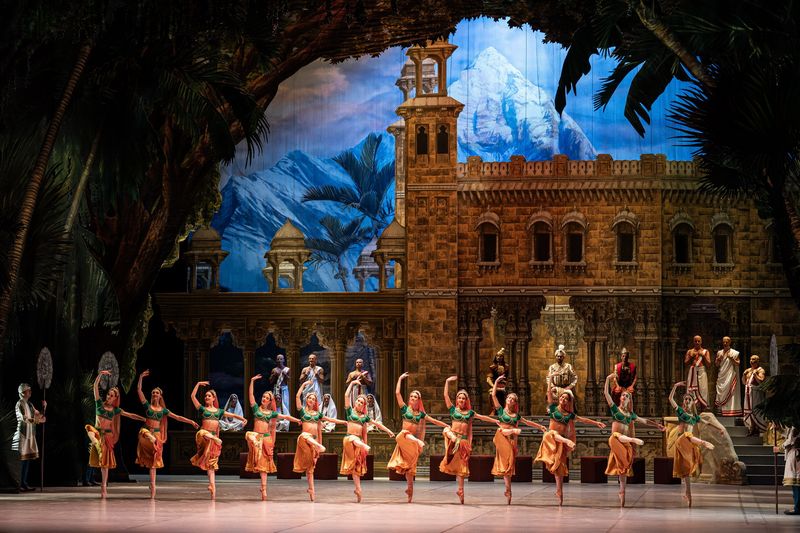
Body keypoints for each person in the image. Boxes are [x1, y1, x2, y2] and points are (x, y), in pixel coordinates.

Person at [535, 385, 605, 506]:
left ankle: (559, 490)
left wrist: (596, 423)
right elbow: (549, 393)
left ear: (568, 401)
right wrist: (550, 379)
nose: (563, 399)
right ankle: (566, 441)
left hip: (560, 442)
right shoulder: (552, 408)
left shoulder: (569, 415)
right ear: (559, 398)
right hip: (550, 439)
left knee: (559, 468)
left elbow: (583, 419)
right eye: (562, 397)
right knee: (551, 433)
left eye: (566, 398)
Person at [603, 373, 664, 506]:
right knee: (615, 436)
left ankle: (622, 490)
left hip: (626, 445)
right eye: (623, 395)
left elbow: (644, 421)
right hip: (616, 440)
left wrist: (657, 425)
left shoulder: (630, 415)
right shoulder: (615, 410)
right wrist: (608, 379)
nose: (625, 397)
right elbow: (606, 394)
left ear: (630, 400)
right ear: (620, 398)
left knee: (623, 468)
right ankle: (633, 439)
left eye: (627, 396)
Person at [135, 370, 198, 498]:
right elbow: (139, 391)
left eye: (157, 393)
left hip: (157, 436)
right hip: (147, 434)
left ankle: (152, 484)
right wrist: (141, 377)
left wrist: (191, 421)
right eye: (153, 393)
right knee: (144, 432)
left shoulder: (163, 411)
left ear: (160, 396)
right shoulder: (147, 406)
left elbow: (178, 417)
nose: (154, 394)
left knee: (153, 462)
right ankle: (149, 437)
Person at [387, 373, 449, 502]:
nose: (412, 398)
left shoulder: (420, 414)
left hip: (411, 443)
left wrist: (446, 425)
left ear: (418, 400)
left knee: (409, 469)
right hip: (404, 440)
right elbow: (397, 393)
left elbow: (434, 421)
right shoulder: (405, 409)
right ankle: (417, 441)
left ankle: (410, 490)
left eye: (415, 396)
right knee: (402, 433)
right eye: (411, 396)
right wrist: (400, 379)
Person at [488, 375, 548, 505]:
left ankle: (508, 489)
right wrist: (496, 382)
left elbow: (528, 422)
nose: (510, 400)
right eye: (509, 398)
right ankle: (512, 431)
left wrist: (540, 426)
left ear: (515, 403)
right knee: (503, 433)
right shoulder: (500, 411)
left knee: (509, 467)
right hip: (502, 438)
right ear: (506, 400)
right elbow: (493, 395)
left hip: (512, 441)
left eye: (513, 399)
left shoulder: (516, 416)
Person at [86, 370, 145, 498]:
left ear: (115, 398)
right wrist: (100, 374)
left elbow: (130, 415)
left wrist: (144, 419)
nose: (109, 397)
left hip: (107, 437)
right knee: (90, 433)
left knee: (105, 464)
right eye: (108, 394)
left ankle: (103, 487)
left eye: (112, 396)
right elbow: (95, 387)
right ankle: (91, 475)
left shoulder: (115, 410)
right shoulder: (99, 404)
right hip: (98, 434)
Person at [439, 376, 498, 504]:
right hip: (453, 439)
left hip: (463, 442)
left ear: (466, 400)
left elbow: (482, 417)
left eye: (463, 398)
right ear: (457, 399)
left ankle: (460, 490)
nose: (461, 400)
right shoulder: (453, 410)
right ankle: (452, 437)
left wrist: (495, 421)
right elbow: (445, 396)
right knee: (446, 430)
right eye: (459, 398)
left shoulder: (470, 413)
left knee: (462, 466)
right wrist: (447, 381)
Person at [189, 381, 248, 499]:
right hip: (204, 437)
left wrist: (243, 419)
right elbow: (192, 397)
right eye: (205, 396)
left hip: (213, 440)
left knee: (211, 465)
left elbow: (232, 415)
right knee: (202, 432)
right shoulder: (202, 409)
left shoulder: (219, 411)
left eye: (209, 396)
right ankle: (212, 438)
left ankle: (212, 487)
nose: (206, 397)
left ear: (213, 398)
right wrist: (198, 384)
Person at [668, 381, 722, 507]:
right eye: (685, 399)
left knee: (686, 470)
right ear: (683, 402)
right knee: (687, 435)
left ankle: (688, 493)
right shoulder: (680, 411)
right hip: (681, 441)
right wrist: (675, 386)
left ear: (693, 403)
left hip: (690, 443)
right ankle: (703, 442)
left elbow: (707, 423)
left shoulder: (695, 417)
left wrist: (719, 428)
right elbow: (670, 399)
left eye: (689, 400)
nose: (687, 401)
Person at [247, 374, 300, 500]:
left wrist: (297, 420)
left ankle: (264, 488)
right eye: (263, 397)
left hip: (265, 439)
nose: (264, 399)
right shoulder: (256, 409)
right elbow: (251, 396)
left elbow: (285, 417)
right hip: (256, 437)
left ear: (270, 401)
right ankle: (263, 486)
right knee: (249, 435)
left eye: (267, 398)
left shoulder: (271, 414)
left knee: (263, 466)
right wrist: (252, 381)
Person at [341, 380, 394, 502]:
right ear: (355, 402)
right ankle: (362, 445)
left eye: (362, 402)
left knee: (356, 468)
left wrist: (388, 431)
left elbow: (377, 424)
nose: (359, 403)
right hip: (349, 439)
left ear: (364, 406)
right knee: (353, 439)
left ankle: (358, 489)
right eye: (358, 401)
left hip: (359, 443)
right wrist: (352, 383)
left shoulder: (364, 417)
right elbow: (346, 395)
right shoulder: (349, 411)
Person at [294, 380, 345, 501]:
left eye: (313, 399)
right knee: (304, 435)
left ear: (315, 402)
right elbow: (297, 397)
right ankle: (317, 445)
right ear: (307, 399)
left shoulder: (317, 414)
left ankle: (311, 489)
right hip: (304, 440)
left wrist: (343, 422)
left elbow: (330, 419)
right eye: (310, 398)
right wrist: (303, 385)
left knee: (310, 468)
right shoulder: (302, 412)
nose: (311, 400)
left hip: (314, 442)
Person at [13, 383, 45, 492]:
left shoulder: (30, 404)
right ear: (22, 393)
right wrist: (37, 420)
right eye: (28, 390)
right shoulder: (19, 404)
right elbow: (24, 418)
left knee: (27, 460)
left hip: (30, 434)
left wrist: (44, 407)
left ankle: (24, 483)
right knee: (22, 460)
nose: (30, 392)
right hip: (22, 434)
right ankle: (19, 484)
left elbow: (39, 416)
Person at [714, 336, 742, 416]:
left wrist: (732, 359)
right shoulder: (719, 352)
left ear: (730, 342)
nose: (725, 343)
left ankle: (731, 410)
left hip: (730, 375)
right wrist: (718, 359)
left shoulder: (734, 353)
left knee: (731, 391)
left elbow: (738, 363)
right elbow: (716, 365)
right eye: (724, 342)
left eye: (727, 342)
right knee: (721, 391)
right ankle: (722, 410)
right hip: (722, 375)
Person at [775, 426, 800, 515]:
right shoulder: (794, 425)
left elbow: (790, 441)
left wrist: (779, 448)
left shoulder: (796, 424)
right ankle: (797, 506)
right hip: (795, 454)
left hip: (796, 456)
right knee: (796, 483)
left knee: (796, 483)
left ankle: (797, 508)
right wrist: (779, 429)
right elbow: (789, 434)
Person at [742, 355, 767, 436]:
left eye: (753, 359)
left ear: (757, 361)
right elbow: (744, 382)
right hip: (748, 392)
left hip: (755, 392)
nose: (751, 361)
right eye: (751, 359)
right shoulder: (748, 370)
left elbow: (761, 381)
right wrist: (744, 375)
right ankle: (752, 428)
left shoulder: (760, 370)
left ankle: (758, 428)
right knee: (749, 410)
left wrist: (755, 375)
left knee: (755, 410)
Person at [684, 336, 711, 411]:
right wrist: (691, 356)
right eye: (695, 341)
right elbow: (685, 363)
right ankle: (692, 408)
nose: (697, 342)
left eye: (699, 341)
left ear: (701, 342)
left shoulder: (705, 351)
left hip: (702, 371)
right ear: (693, 342)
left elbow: (709, 364)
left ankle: (703, 408)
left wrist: (703, 356)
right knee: (692, 390)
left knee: (703, 389)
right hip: (693, 371)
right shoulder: (690, 351)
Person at [270, 354, 291, 430]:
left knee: (285, 405)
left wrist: (286, 375)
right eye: (278, 359)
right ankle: (275, 424)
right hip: (276, 389)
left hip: (284, 389)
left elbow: (289, 380)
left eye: (281, 359)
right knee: (275, 405)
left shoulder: (287, 369)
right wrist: (273, 375)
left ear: (283, 360)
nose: (279, 360)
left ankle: (285, 425)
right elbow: (271, 381)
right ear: (276, 360)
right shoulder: (274, 370)